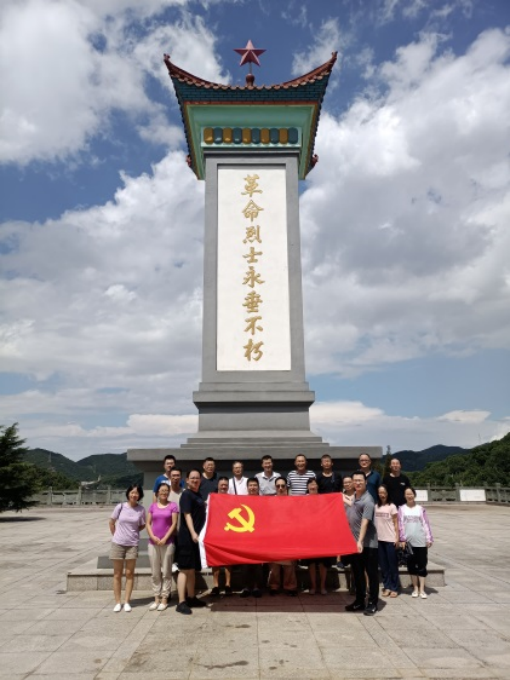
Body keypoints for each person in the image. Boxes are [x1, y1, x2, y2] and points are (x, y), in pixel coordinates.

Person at [344, 471, 379, 616]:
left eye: (360, 480)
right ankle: (359, 601)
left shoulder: (368, 500)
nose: (357, 483)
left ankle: (372, 603)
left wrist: (360, 541)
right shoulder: (355, 497)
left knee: (371, 574)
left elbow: (365, 522)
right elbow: (349, 503)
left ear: (366, 482)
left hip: (368, 544)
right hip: (355, 544)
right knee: (358, 574)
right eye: (355, 481)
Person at [108, 483, 146, 612]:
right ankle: (118, 602)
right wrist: (116, 534)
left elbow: (142, 524)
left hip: (132, 544)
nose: (134, 495)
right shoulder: (120, 507)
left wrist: (133, 531)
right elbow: (111, 522)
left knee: (129, 573)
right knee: (117, 573)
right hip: (118, 543)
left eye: (136, 493)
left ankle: (127, 601)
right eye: (132, 492)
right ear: (128, 493)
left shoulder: (141, 509)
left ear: (139, 495)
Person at [176, 470, 208, 614]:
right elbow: (187, 515)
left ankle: (191, 597)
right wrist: (193, 532)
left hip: (196, 539)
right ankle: (181, 602)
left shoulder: (198, 495)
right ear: (187, 480)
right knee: (184, 569)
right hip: (187, 538)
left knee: (192, 569)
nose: (195, 480)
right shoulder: (186, 495)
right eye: (192, 478)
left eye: (197, 478)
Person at [146, 482, 179, 611]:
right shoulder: (153, 506)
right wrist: (153, 537)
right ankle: (156, 598)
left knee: (166, 572)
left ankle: (164, 598)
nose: (164, 492)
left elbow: (174, 523)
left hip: (168, 542)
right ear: (157, 493)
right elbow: (148, 523)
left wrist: (165, 538)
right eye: (162, 490)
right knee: (155, 572)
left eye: (166, 490)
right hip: (153, 543)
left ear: (169, 492)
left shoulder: (173, 505)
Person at [398, 488, 434, 599]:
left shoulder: (420, 509)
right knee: (411, 565)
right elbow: (400, 525)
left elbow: (426, 524)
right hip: (409, 543)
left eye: (411, 494)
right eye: (407, 494)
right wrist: (402, 539)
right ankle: (415, 588)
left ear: (414, 495)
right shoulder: (402, 509)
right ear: (404, 496)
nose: (409, 496)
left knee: (422, 565)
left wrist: (429, 538)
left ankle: (422, 589)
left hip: (421, 541)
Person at [268, 479, 298, 595]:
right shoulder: (269, 501)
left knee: (289, 564)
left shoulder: (293, 501)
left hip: (289, 536)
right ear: (275, 487)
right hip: (273, 536)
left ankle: (290, 587)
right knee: (274, 564)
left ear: (286, 487)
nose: (280, 488)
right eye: (278, 486)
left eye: (283, 486)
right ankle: (274, 586)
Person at [305, 478, 333, 595]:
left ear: (318, 486)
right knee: (311, 563)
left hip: (322, 535)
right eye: (310, 484)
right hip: (309, 535)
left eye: (314, 484)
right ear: (307, 487)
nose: (312, 486)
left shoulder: (324, 499)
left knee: (323, 563)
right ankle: (313, 586)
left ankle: (322, 586)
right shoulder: (303, 500)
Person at [374, 484, 399, 598]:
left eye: (384, 492)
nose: (382, 495)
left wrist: (397, 538)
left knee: (392, 565)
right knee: (383, 566)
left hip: (390, 539)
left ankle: (394, 587)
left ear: (387, 493)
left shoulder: (392, 506)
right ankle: (387, 586)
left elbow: (396, 523)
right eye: (380, 492)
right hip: (379, 539)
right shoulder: (376, 506)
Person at [240, 478, 263, 598]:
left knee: (258, 564)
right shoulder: (241, 501)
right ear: (247, 487)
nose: (253, 487)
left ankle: (256, 587)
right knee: (245, 564)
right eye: (250, 485)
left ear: (258, 487)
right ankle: (246, 587)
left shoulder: (263, 501)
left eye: (255, 485)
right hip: (245, 537)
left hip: (259, 537)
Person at [210, 477, 232, 596]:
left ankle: (228, 584)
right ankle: (216, 585)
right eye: (221, 484)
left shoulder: (232, 499)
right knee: (215, 560)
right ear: (218, 485)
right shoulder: (212, 498)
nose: (223, 487)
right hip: (215, 532)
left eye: (225, 485)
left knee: (228, 560)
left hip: (228, 532)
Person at [336, 475, 355, 571]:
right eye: (345, 483)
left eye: (349, 482)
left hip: (355, 523)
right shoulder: (340, 495)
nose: (347, 484)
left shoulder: (358, 495)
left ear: (353, 483)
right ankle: (339, 559)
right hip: (343, 522)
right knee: (341, 540)